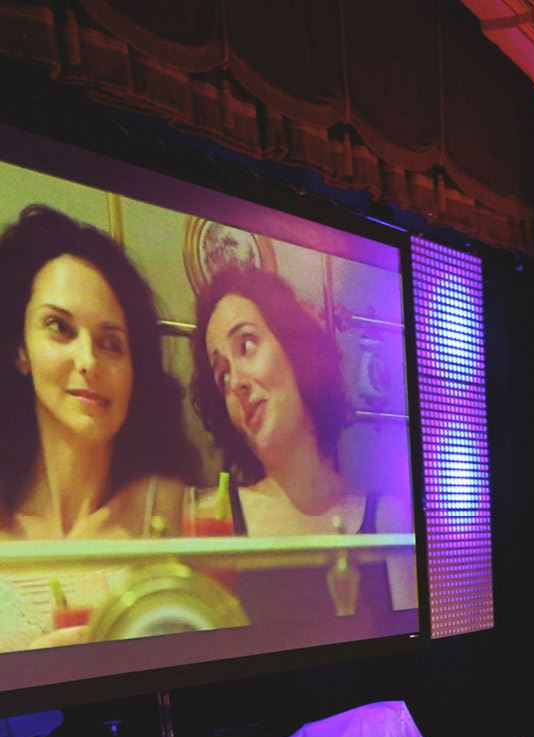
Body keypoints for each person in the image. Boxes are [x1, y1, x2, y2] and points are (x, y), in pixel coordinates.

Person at [0, 206, 199, 648]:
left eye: (111, 343)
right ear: (21, 351)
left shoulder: (166, 509)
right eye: (60, 327)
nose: (88, 360)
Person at [192, 263, 411, 540]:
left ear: (295, 347)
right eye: (222, 376)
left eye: (246, 345)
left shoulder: (386, 521)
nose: (235, 382)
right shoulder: (213, 520)